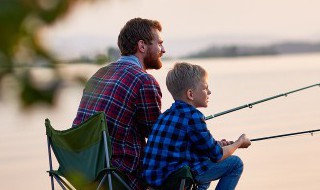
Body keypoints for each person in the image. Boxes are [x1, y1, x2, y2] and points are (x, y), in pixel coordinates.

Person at [72, 18, 166, 190]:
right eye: (159, 44)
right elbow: (157, 137)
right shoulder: (144, 81)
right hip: (119, 177)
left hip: (85, 174)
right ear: (142, 46)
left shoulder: (99, 74)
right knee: (187, 168)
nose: (164, 50)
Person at [142, 62, 251, 190]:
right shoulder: (193, 116)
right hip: (174, 181)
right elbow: (218, 155)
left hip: (155, 181)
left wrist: (217, 144)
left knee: (203, 160)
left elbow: (189, 146)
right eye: (205, 88)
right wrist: (239, 142)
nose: (209, 92)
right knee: (235, 163)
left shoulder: (165, 115)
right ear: (190, 94)